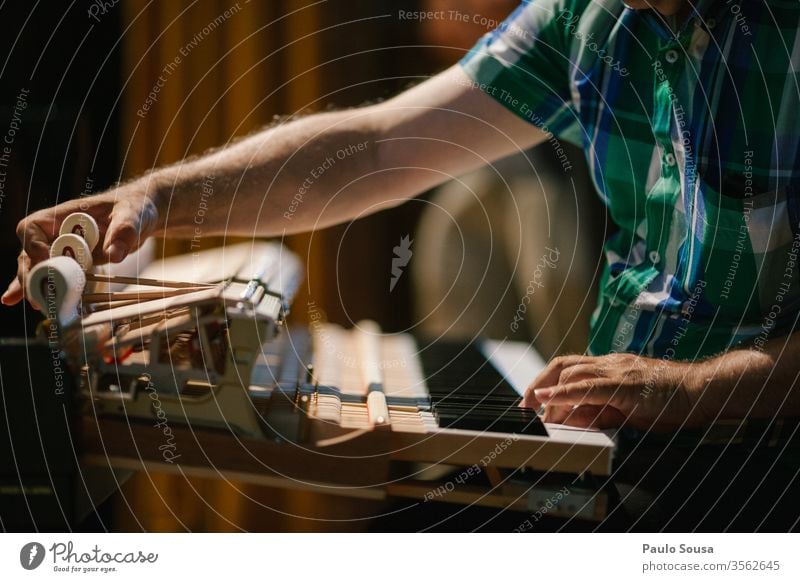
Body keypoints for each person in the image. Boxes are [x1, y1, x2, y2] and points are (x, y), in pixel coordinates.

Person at [6, 0, 800, 434]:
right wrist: (154, 201)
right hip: (622, 445)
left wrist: (691, 388)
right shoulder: (584, 18)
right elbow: (380, 148)